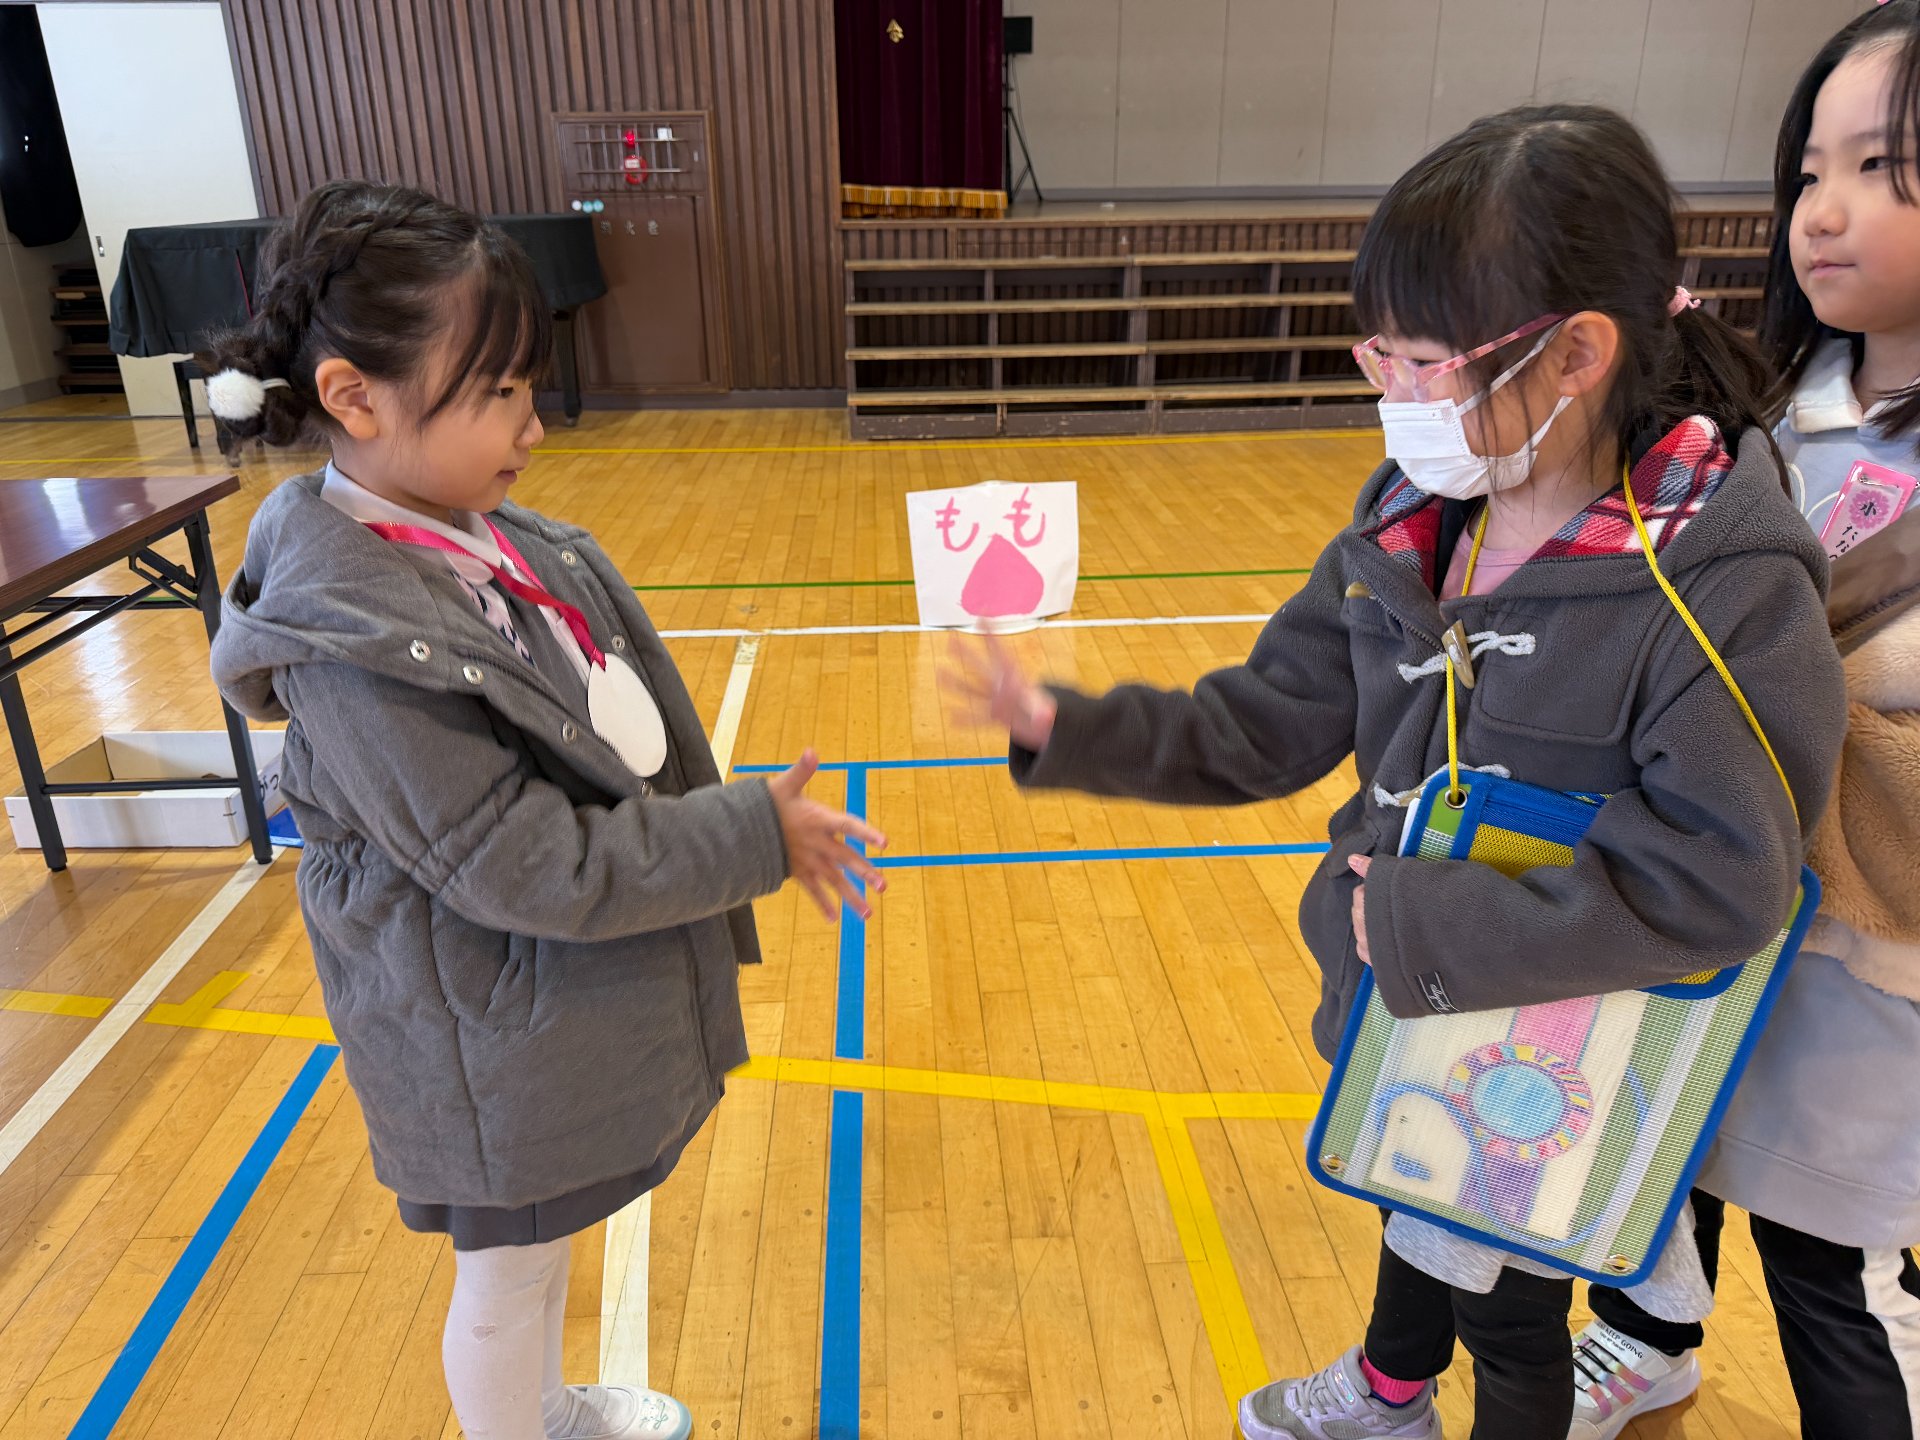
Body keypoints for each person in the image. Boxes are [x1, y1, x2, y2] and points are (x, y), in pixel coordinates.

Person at [943, 105, 1846, 1440]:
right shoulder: (1413, 521)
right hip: (1414, 1014)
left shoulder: (1711, 585)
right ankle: (1386, 1395)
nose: (1391, 391)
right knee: (1417, 1208)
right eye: (1381, 353)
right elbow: (1264, 719)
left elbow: (1726, 881)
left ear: (1578, 353)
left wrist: (1424, 926)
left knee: (1516, 1325)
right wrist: (1068, 728)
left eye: (1423, 360)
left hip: (1557, 1065)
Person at [204, 179, 885, 1440]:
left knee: (541, 1244)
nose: (531, 427)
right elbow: (524, 864)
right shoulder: (353, 642)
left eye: (528, 386)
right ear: (356, 397)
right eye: (497, 394)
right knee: (511, 1272)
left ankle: (546, 1411)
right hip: (483, 1029)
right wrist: (751, 835)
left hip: (531, 1014)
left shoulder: (474, 532)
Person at [1575, 8, 1920, 1438]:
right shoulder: (1781, 411)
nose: (1822, 214)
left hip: (1874, 948)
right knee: (1659, 1152)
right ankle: (1645, 1340)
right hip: (1730, 902)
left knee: (1823, 1252)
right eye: (1809, 171)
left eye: (1885, 167)